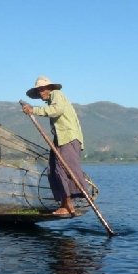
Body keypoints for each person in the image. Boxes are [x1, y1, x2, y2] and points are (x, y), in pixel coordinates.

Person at [21, 75, 87, 216]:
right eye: (38, 91)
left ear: (49, 88)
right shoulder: (51, 100)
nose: (40, 93)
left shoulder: (57, 94)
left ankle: (69, 204)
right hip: (61, 138)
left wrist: (34, 110)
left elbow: (56, 110)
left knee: (63, 168)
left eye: (42, 89)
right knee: (54, 169)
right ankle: (66, 204)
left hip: (68, 138)